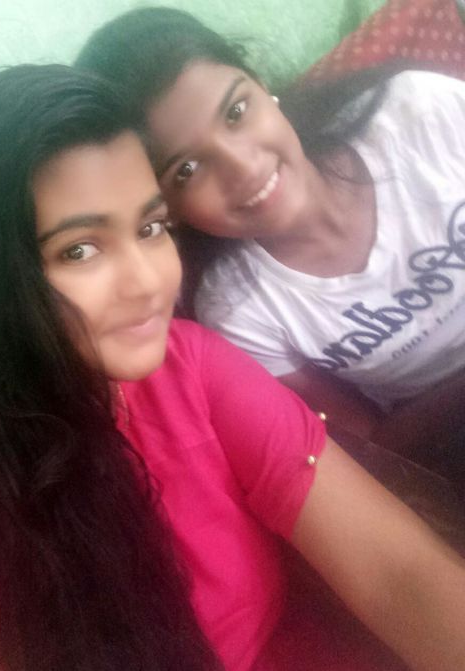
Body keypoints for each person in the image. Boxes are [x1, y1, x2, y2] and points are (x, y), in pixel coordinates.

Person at [0, 64, 465, 671]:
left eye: (151, 228)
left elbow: (396, 573)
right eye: (79, 250)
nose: (149, 282)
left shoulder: (191, 367)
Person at [75, 7, 465, 464]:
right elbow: (375, 449)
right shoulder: (241, 310)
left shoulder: (419, 114)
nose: (242, 167)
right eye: (187, 169)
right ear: (166, 209)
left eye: (236, 112)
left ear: (262, 86)